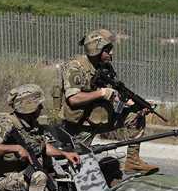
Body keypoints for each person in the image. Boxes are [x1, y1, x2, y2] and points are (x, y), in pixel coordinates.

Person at [60, 29, 158, 175]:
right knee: (76, 167)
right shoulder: (75, 67)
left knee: (136, 115)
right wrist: (101, 93)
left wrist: (134, 104)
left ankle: (133, 161)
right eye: (107, 50)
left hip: (103, 118)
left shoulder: (105, 66)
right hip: (81, 125)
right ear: (96, 51)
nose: (111, 53)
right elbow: (73, 99)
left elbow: (115, 93)